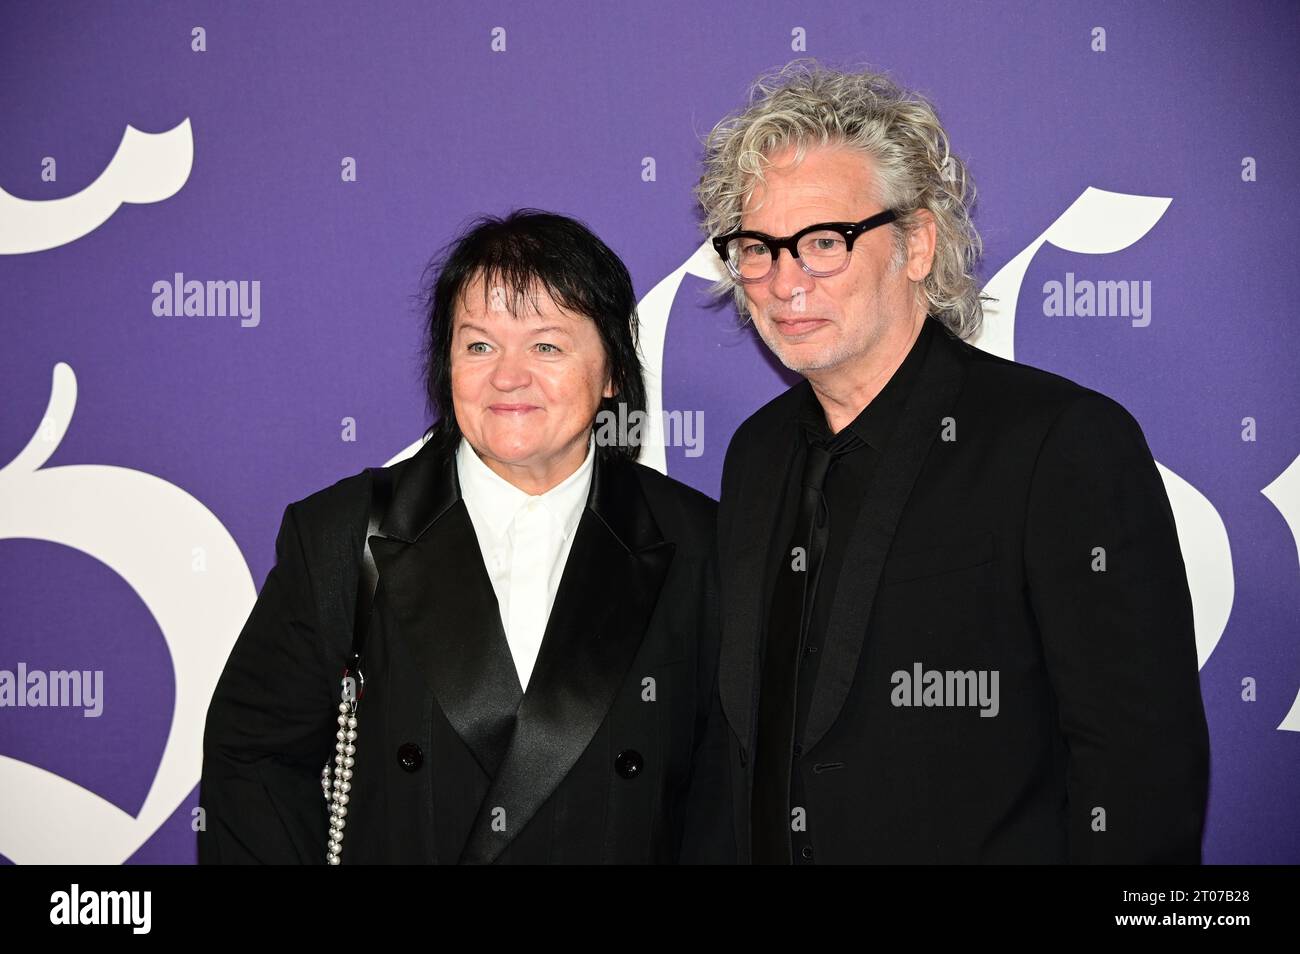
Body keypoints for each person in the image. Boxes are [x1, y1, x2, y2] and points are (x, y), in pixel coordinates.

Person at [695, 60, 1209, 863]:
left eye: (825, 242)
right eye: (758, 248)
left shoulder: (1059, 442)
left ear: (918, 245)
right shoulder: (755, 455)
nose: (785, 280)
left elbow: (1141, 770)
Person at [199, 210, 733, 864]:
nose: (508, 376)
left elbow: (726, 796)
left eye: (547, 345)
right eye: (479, 345)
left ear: (614, 370)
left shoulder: (700, 545)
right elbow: (255, 761)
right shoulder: (344, 535)